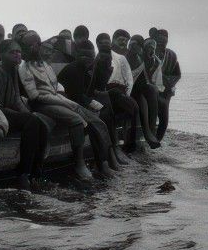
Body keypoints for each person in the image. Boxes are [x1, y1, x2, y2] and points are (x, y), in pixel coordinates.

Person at [18, 31, 98, 181]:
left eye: (33, 45)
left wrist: (66, 101)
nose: (30, 49)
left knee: (84, 113)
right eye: (27, 46)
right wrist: (64, 102)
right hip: (39, 104)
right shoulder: (24, 67)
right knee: (75, 119)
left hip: (53, 100)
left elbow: (54, 89)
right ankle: (79, 163)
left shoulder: (45, 65)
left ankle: (96, 153)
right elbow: (35, 96)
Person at [0, 40, 52, 189]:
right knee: (31, 121)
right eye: (12, 52)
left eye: (19, 51)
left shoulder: (13, 69)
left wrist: (30, 114)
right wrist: (28, 117)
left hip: (7, 111)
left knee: (40, 123)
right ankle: (23, 174)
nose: (17, 54)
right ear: (1, 55)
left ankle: (37, 173)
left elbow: (16, 98)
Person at [58, 40, 121, 172]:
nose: (88, 59)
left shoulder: (87, 69)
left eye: (91, 56)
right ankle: (102, 164)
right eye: (84, 56)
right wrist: (92, 106)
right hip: (66, 104)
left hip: (78, 104)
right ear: (77, 55)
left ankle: (108, 158)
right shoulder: (73, 69)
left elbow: (88, 92)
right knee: (95, 124)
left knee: (105, 116)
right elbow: (75, 96)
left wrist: (95, 105)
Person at [94, 33, 137, 162]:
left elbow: (129, 80)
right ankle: (115, 148)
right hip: (104, 94)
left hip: (119, 92)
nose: (105, 45)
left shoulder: (120, 58)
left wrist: (126, 95)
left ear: (110, 43)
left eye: (107, 43)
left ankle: (130, 145)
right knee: (109, 111)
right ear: (97, 44)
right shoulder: (95, 59)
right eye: (102, 43)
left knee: (134, 107)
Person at [128, 35, 162, 148]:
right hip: (125, 90)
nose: (132, 47)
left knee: (152, 90)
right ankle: (148, 133)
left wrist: (152, 65)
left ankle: (151, 132)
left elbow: (144, 80)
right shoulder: (126, 56)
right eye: (131, 44)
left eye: (135, 45)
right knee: (141, 97)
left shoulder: (142, 59)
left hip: (135, 88)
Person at [153, 28, 181, 141]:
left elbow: (177, 74)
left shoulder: (171, 55)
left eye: (164, 42)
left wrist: (168, 83)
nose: (162, 44)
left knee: (164, 119)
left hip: (166, 91)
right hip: (151, 90)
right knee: (152, 115)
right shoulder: (149, 52)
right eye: (159, 42)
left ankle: (157, 143)